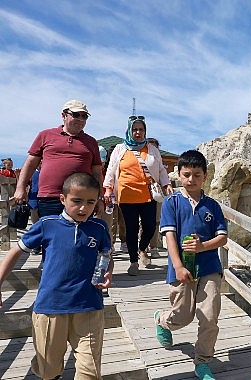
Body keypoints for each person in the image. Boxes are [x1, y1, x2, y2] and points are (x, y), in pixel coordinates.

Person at [0, 172, 113, 379]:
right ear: (63, 199)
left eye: (90, 202)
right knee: (49, 370)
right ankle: (43, 362)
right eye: (76, 201)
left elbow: (106, 256)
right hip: (50, 308)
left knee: (90, 372)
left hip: (89, 307)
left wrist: (108, 273)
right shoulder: (47, 224)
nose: (83, 208)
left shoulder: (99, 227)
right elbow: (15, 251)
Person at [155, 150, 227, 380]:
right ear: (178, 175)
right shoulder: (172, 203)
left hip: (209, 268)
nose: (191, 179)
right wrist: (177, 266)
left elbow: (222, 237)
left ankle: (203, 361)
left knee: (209, 315)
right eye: (186, 174)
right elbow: (169, 237)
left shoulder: (212, 206)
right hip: (181, 269)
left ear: (205, 176)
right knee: (183, 316)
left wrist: (202, 246)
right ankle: (162, 320)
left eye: (197, 175)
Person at [103, 116, 172, 275]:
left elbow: (161, 169)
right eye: (135, 129)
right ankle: (134, 261)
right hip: (127, 195)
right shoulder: (120, 148)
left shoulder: (152, 149)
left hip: (148, 194)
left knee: (149, 226)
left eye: (141, 129)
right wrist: (108, 188)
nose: (138, 132)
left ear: (145, 131)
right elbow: (110, 170)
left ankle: (142, 249)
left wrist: (166, 184)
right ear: (129, 131)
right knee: (131, 229)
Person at [14, 99, 103, 218]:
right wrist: (20, 188)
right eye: (76, 115)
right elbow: (30, 163)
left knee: (80, 235)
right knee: (50, 234)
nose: (81, 119)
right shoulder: (45, 135)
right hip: (49, 197)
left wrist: (99, 198)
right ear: (63, 115)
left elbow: (97, 173)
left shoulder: (91, 142)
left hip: (82, 199)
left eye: (84, 116)